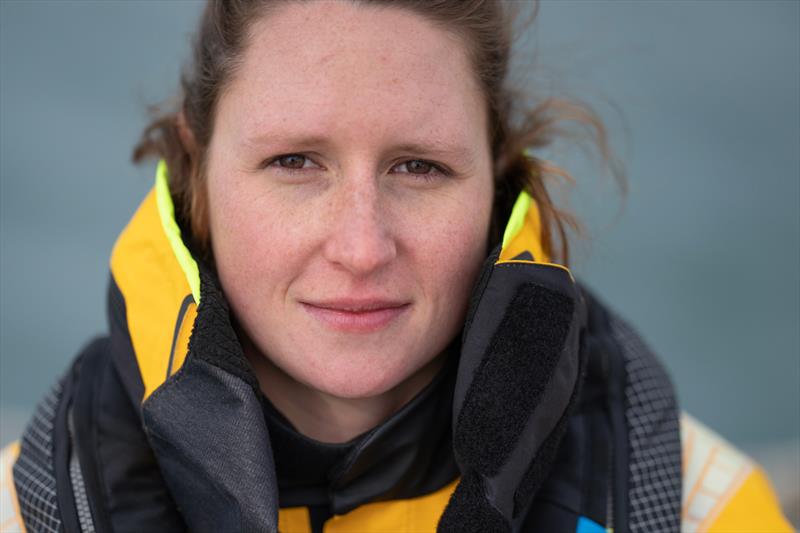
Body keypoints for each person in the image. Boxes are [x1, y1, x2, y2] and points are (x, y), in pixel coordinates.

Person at [0, 1, 792, 532]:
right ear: (196, 169)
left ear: (500, 180)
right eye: (295, 161)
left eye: (418, 168)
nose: (361, 246)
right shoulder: (24, 509)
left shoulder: (695, 505)